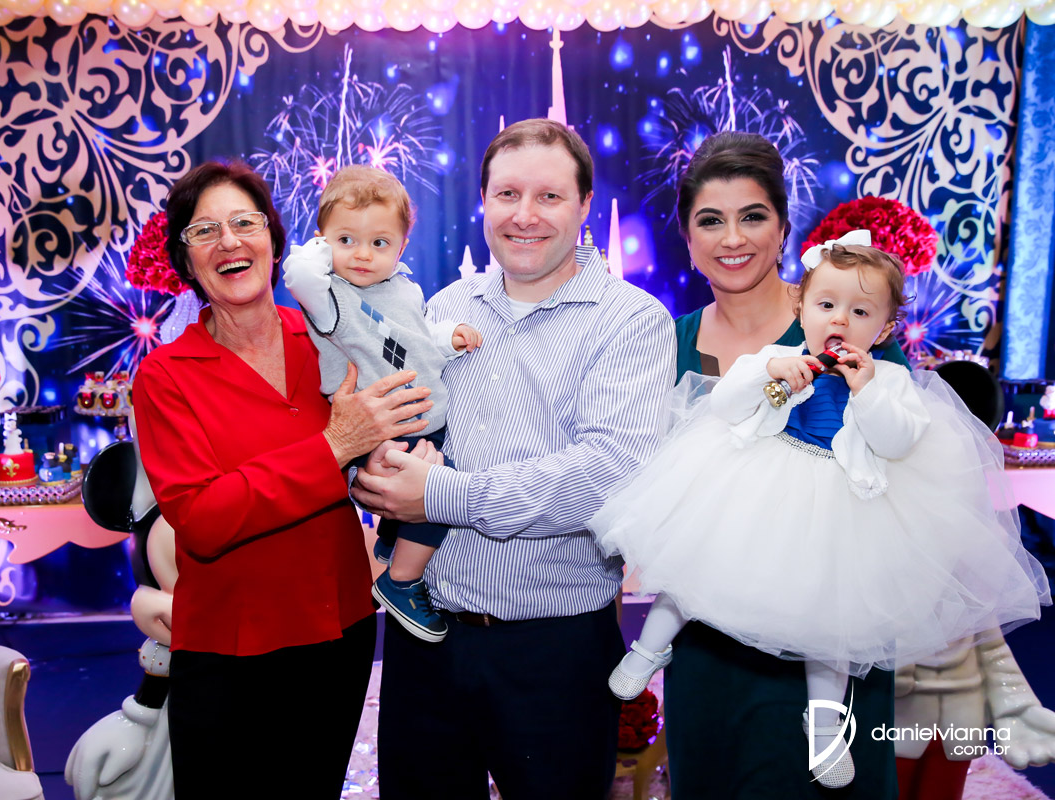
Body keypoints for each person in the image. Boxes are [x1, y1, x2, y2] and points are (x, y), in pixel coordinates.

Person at [590, 233, 1048, 788]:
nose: (840, 320)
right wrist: (768, 374)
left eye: (860, 312)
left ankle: (826, 727)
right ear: (800, 307)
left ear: (883, 330)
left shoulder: (891, 379)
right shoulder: (773, 358)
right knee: (699, 568)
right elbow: (726, 406)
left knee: (833, 627)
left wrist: (867, 390)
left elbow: (897, 440)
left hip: (842, 508)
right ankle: (647, 650)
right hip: (758, 487)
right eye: (827, 304)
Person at [351, 118, 677, 800]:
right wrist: (373, 468)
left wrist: (437, 494)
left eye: (549, 196)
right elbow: (400, 420)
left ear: (585, 205)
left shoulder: (630, 320)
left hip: (555, 652)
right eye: (507, 194)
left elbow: (606, 475)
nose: (524, 215)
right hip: (426, 634)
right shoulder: (445, 306)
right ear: (483, 202)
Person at [131, 160, 433, 798]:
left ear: (273, 238)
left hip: (340, 631)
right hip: (229, 651)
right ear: (185, 259)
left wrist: (400, 463)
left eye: (245, 223)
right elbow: (203, 521)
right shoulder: (166, 376)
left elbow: (381, 449)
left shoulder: (330, 338)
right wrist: (334, 446)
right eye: (204, 231)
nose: (229, 241)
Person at [283, 165, 482, 643]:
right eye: (346, 240)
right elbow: (298, 274)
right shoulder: (330, 297)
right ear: (322, 242)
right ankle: (402, 581)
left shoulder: (403, 287)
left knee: (428, 488)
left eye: (379, 243)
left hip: (424, 419)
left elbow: (412, 337)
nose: (362, 254)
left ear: (401, 248)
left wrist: (447, 338)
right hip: (386, 426)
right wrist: (321, 251)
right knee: (439, 491)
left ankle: (394, 544)